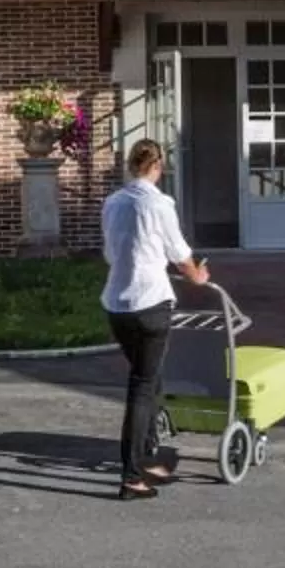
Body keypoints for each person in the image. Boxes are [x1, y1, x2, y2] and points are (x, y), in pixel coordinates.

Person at [101, 138, 209, 500]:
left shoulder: (113, 202)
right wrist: (198, 276)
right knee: (142, 387)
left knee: (150, 377)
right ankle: (132, 474)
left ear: (131, 165)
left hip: (117, 303)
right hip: (151, 302)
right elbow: (179, 252)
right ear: (158, 166)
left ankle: (148, 457)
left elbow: (110, 251)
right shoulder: (160, 204)